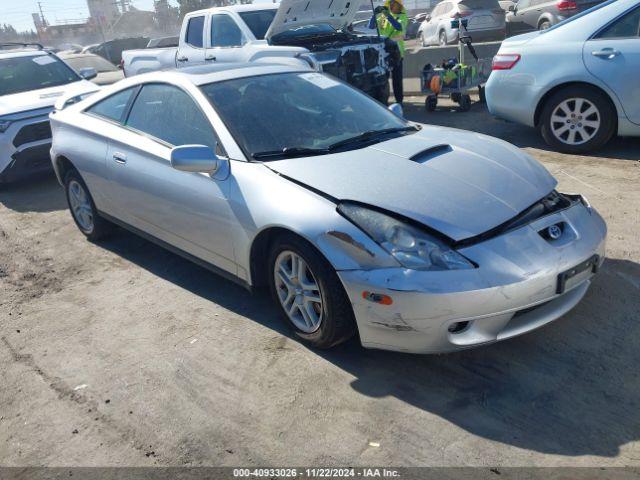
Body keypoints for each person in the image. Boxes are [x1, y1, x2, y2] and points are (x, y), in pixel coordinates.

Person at [368, 0, 408, 105]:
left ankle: (399, 102)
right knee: (383, 80)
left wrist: (388, 15)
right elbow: (370, 27)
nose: (393, 5)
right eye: (391, 4)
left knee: (397, 79)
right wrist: (374, 15)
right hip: (383, 53)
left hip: (396, 53)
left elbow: (399, 27)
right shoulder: (382, 17)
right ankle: (383, 103)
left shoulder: (402, 16)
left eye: (395, 4)